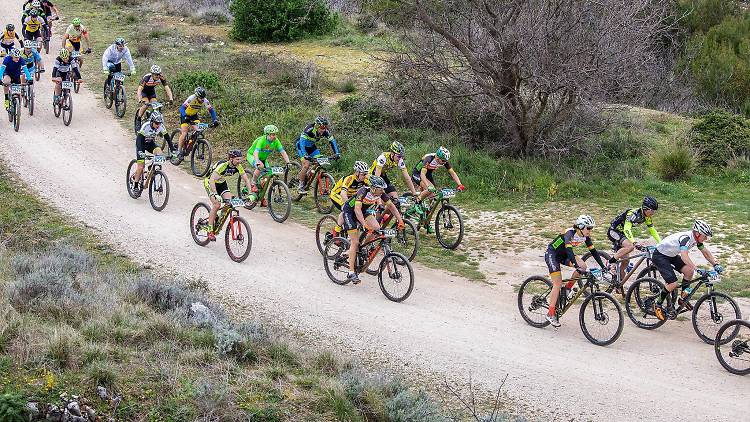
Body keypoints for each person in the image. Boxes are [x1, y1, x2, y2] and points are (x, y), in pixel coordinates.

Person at [651, 220, 723, 321]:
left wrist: (715, 264)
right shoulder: (686, 238)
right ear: (698, 233)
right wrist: (697, 269)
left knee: (689, 272)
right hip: (660, 256)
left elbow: (705, 252)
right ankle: (657, 305)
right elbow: (684, 256)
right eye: (705, 236)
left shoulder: (697, 240)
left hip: (671, 255)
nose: (706, 238)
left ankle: (683, 299)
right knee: (673, 283)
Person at [544, 215, 608, 327]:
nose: (590, 231)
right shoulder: (569, 233)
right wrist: (574, 265)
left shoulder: (585, 236)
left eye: (591, 228)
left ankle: (568, 288)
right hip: (552, 254)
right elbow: (569, 250)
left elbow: (594, 252)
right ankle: (550, 313)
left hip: (564, 255)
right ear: (581, 226)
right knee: (557, 283)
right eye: (588, 228)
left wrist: (603, 266)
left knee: (583, 266)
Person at [340, 175, 404, 284]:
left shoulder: (381, 194)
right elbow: (357, 209)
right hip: (350, 212)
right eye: (380, 189)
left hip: (363, 211)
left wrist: (400, 221)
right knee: (355, 242)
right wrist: (364, 224)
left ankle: (364, 247)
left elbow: (392, 207)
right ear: (373, 188)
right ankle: (351, 272)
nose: (383, 191)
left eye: (383, 189)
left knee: (377, 228)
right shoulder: (362, 191)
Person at [606, 196, 661, 286]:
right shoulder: (633, 214)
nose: (653, 213)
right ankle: (610, 262)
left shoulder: (646, 217)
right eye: (652, 210)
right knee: (630, 246)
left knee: (625, 262)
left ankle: (618, 285)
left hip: (622, 233)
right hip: (614, 231)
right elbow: (627, 229)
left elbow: (652, 230)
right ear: (645, 208)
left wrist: (660, 242)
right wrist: (634, 242)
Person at [203, 150, 252, 241]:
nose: (239, 161)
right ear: (231, 159)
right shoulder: (223, 166)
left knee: (229, 203)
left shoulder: (238, 166)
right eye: (237, 159)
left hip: (221, 183)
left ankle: (218, 219)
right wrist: (215, 194)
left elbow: (246, 179)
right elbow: (212, 179)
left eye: (240, 159)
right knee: (217, 204)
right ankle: (209, 230)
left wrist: (250, 193)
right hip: (210, 182)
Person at [411, 146, 465, 215]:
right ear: (437, 157)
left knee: (433, 197)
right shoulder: (429, 158)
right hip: (418, 174)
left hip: (428, 174)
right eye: (443, 161)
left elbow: (452, 173)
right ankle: (417, 202)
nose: (444, 162)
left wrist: (459, 184)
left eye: (446, 161)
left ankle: (426, 217)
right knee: (430, 189)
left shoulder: (443, 160)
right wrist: (428, 186)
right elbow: (422, 174)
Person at [294, 116, 340, 194]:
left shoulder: (326, 131)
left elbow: (333, 141)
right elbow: (302, 142)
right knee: (306, 164)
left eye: (325, 127)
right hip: (301, 146)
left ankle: (309, 175)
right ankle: (300, 186)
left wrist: (337, 153)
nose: (323, 130)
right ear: (317, 126)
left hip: (312, 147)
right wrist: (305, 154)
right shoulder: (309, 129)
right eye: (321, 127)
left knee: (320, 161)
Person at [245, 124, 291, 200]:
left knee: (267, 175)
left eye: (275, 134)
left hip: (263, 159)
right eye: (273, 134)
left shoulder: (276, 141)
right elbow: (255, 153)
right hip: (252, 156)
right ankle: (253, 183)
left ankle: (260, 196)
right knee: (261, 166)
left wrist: (288, 162)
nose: (275, 136)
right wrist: (257, 162)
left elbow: (282, 152)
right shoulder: (262, 140)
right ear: (267, 135)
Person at [329, 160, 371, 238]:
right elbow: (343, 193)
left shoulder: (365, 179)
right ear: (357, 173)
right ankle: (336, 230)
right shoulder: (349, 179)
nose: (365, 176)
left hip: (350, 196)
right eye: (363, 174)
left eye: (366, 174)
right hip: (337, 195)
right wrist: (348, 205)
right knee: (346, 208)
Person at [370, 141, 418, 209]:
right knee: (382, 201)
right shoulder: (383, 157)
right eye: (399, 156)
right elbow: (377, 176)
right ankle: (377, 216)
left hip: (383, 176)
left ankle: (385, 217)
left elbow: (407, 178)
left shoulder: (399, 160)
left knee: (395, 200)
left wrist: (414, 193)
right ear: (392, 153)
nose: (400, 158)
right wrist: (382, 192)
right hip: (373, 176)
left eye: (402, 156)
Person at [177, 86, 219, 158]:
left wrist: (215, 120)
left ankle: (197, 151)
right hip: (185, 115)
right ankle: (178, 151)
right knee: (184, 133)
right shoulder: (192, 98)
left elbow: (211, 110)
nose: (202, 99)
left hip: (193, 116)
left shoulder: (205, 100)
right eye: (200, 97)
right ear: (196, 96)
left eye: (203, 97)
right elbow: (182, 108)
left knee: (199, 130)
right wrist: (185, 116)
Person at [131, 111, 167, 195]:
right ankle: (135, 185)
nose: (158, 125)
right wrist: (140, 151)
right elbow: (139, 140)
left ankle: (151, 168)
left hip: (150, 144)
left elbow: (167, 138)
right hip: (141, 145)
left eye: (159, 123)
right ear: (152, 121)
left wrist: (173, 151)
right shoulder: (145, 126)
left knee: (159, 154)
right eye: (156, 123)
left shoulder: (160, 126)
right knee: (141, 166)